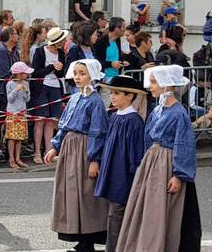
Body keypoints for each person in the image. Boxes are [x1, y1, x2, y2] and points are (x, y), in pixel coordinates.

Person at [116, 65, 201, 252]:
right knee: (148, 205)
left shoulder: (179, 113)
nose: (150, 86)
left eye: (154, 82)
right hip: (153, 162)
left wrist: (179, 175)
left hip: (167, 164)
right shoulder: (157, 109)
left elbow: (184, 144)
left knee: (162, 208)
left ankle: (159, 244)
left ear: (167, 84)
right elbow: (148, 136)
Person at [44, 59, 109, 252]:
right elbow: (64, 125)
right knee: (70, 192)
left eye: (83, 73)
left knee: (85, 194)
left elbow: (98, 131)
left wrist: (94, 159)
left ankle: (88, 239)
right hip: (69, 149)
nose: (78, 77)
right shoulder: (74, 98)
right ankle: (78, 234)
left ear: (92, 76)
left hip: (84, 149)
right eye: (76, 73)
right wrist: (55, 147)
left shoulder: (96, 102)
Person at [93, 75, 147, 252]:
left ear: (129, 96)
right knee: (114, 216)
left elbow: (136, 154)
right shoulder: (115, 116)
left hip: (123, 177)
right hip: (113, 173)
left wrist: (132, 178)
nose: (112, 97)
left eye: (116, 93)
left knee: (118, 215)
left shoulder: (134, 121)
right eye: (111, 93)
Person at [30, 27, 67, 164]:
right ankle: (37, 152)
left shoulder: (61, 53)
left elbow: (61, 74)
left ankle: (49, 150)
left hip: (56, 87)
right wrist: (52, 67)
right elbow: (36, 72)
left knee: (51, 120)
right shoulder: (40, 51)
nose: (64, 41)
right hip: (42, 88)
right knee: (40, 120)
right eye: (62, 39)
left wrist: (59, 69)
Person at [5, 61, 33, 170]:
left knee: (20, 137)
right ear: (19, 74)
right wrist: (16, 90)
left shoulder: (26, 83)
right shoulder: (10, 84)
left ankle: (18, 158)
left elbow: (27, 99)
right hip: (12, 113)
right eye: (25, 73)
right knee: (12, 137)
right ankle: (11, 159)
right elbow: (10, 99)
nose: (26, 75)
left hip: (22, 113)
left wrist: (26, 92)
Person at [0, 26, 20, 112]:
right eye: (16, 34)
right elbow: (5, 74)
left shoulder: (15, 50)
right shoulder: (0, 51)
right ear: (11, 36)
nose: (18, 36)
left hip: (12, 88)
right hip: (2, 91)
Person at [94, 17, 126, 82]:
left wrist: (122, 62)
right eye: (123, 27)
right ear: (116, 28)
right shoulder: (100, 41)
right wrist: (111, 64)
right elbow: (96, 61)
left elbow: (116, 57)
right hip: (104, 79)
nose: (125, 29)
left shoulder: (117, 40)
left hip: (116, 77)